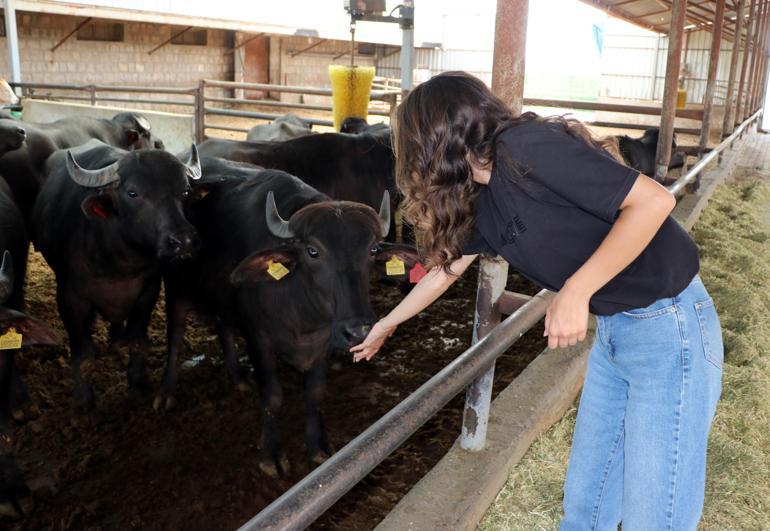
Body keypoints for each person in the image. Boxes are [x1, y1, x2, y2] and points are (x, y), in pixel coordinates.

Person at [350, 71, 722, 530]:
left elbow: (653, 202)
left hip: (669, 328)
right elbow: (445, 272)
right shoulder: (480, 197)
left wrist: (576, 291)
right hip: (617, 332)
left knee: (656, 516)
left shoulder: (524, 146)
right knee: (587, 507)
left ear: (434, 139)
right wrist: (388, 322)